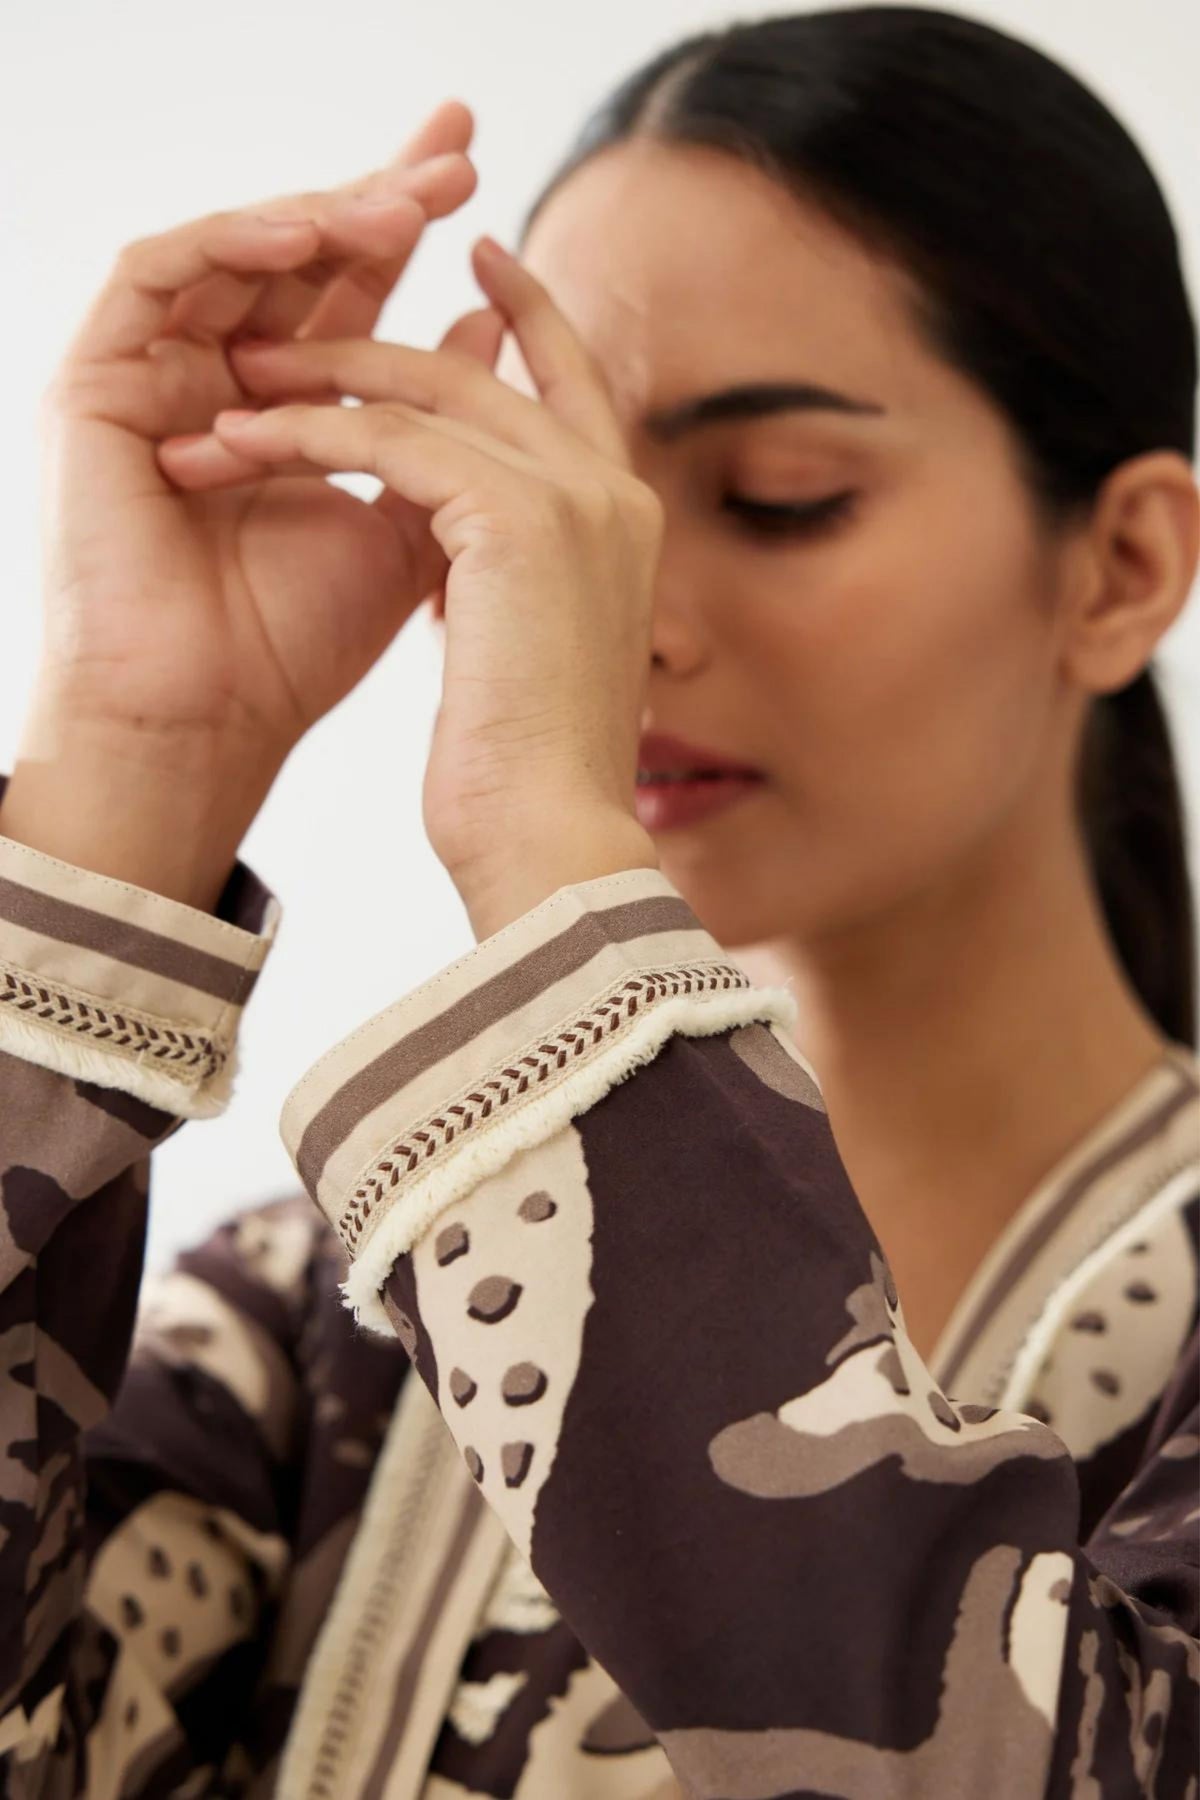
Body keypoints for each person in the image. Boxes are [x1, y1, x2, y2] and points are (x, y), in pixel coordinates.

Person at [1, 7, 1197, 1795]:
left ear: (1120, 566)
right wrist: (135, 751)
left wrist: (550, 854)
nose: (620, 618)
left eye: (781, 498)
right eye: (577, 501)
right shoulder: (313, 1336)